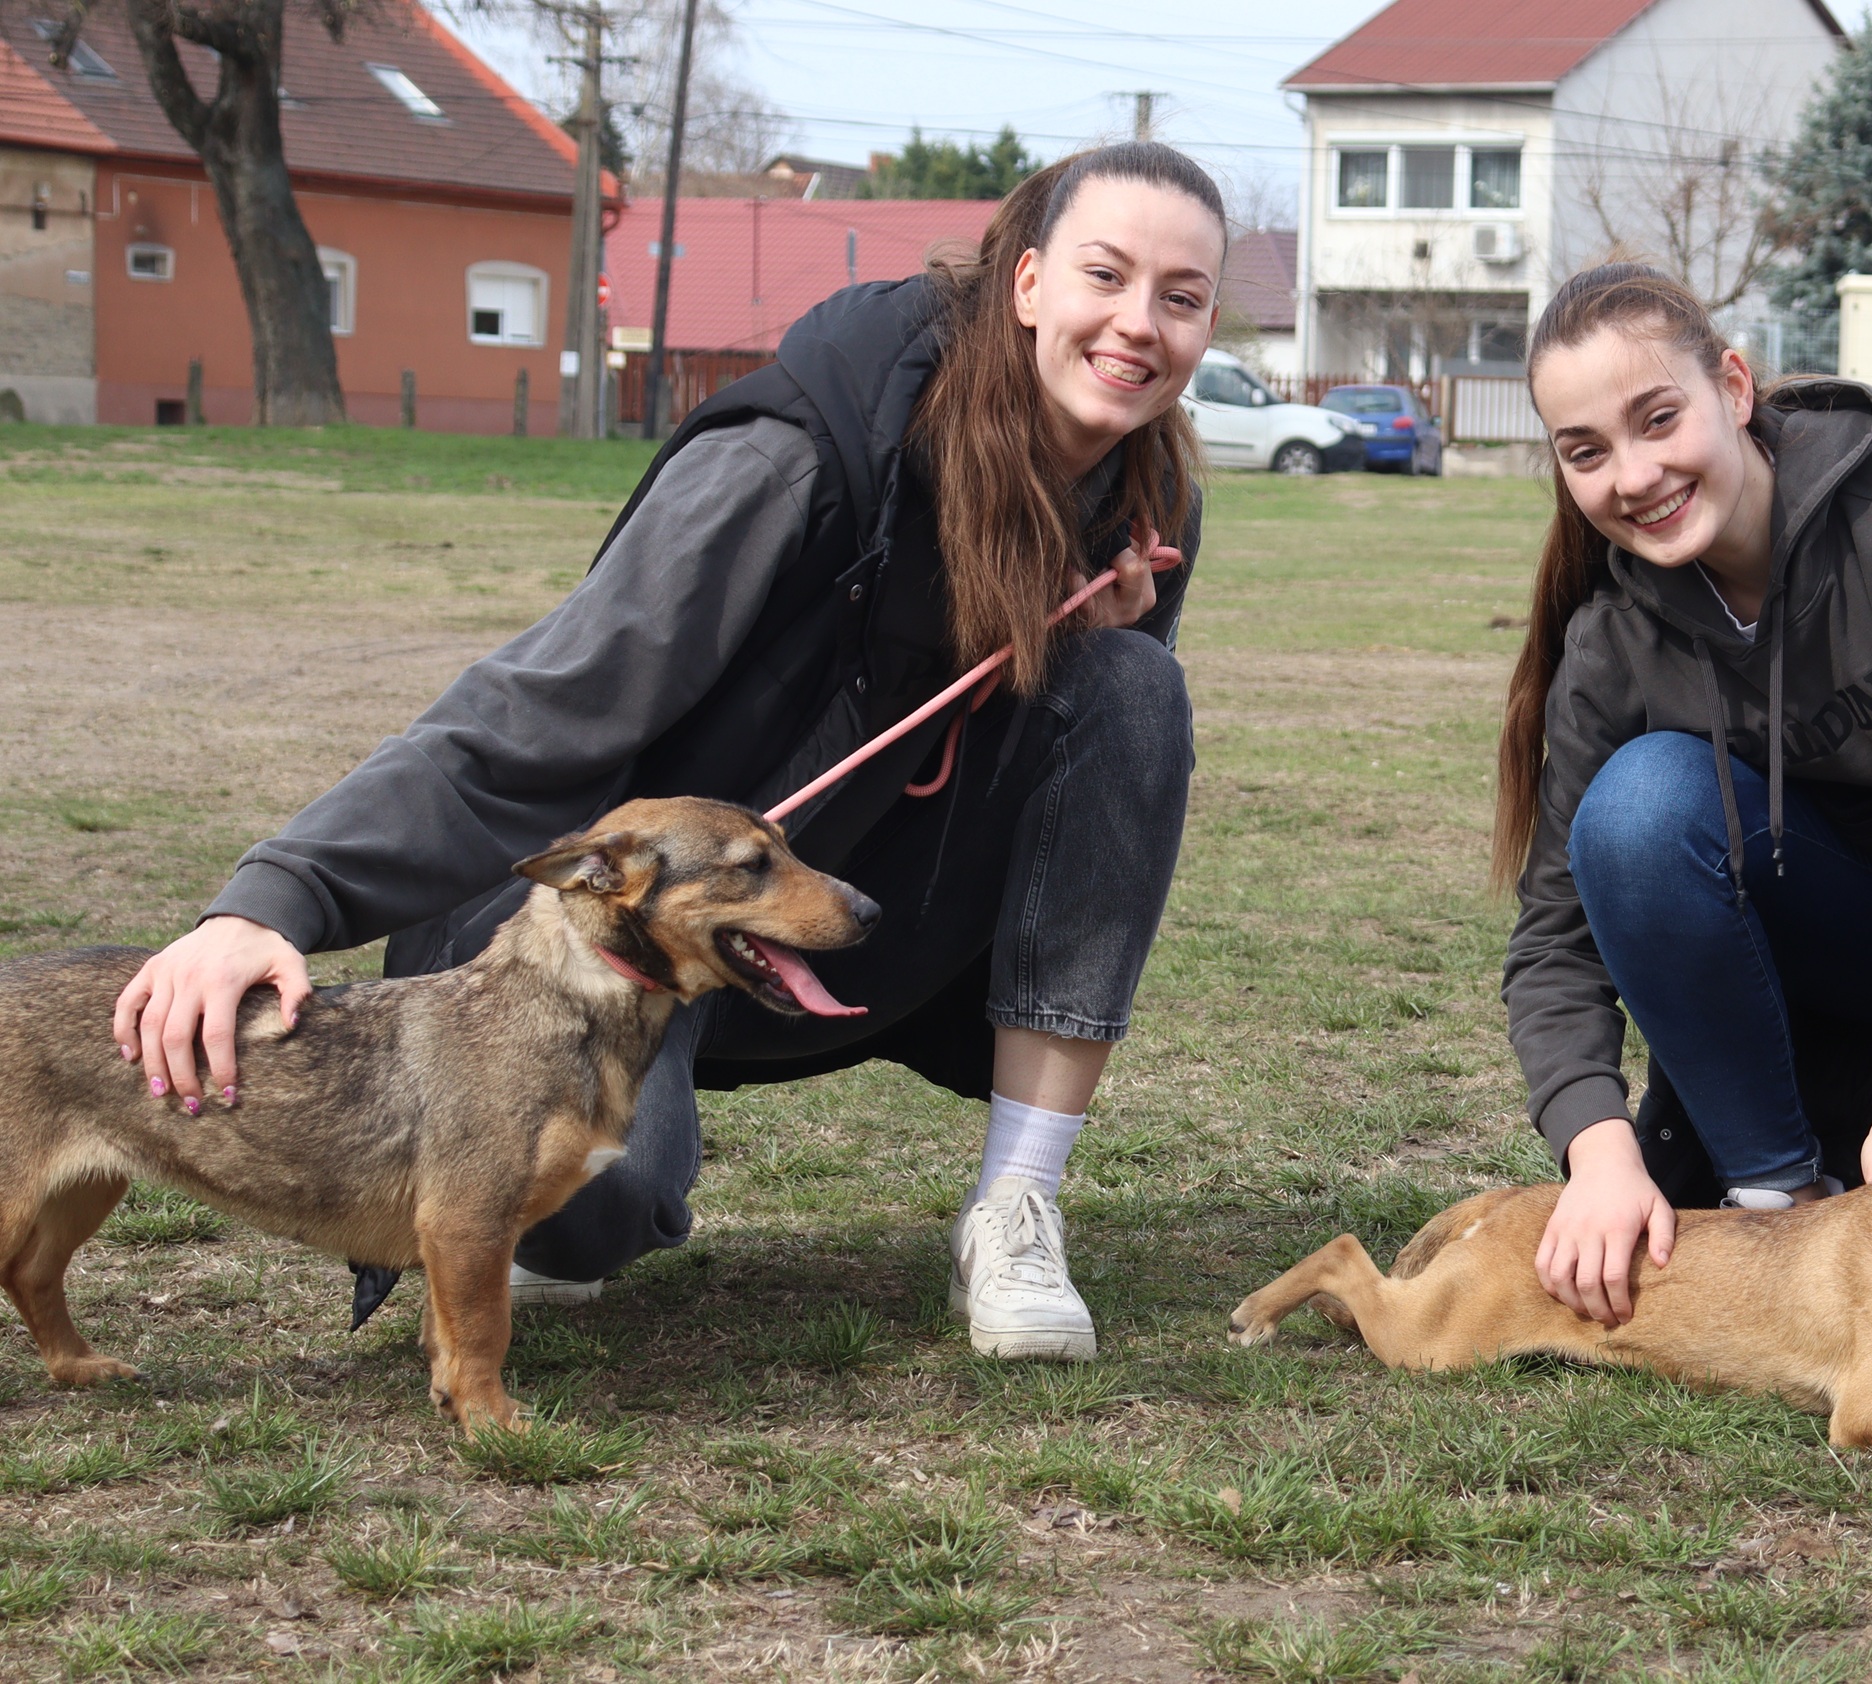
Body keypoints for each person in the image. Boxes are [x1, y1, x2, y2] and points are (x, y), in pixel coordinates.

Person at [107, 143, 1227, 1364]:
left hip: (849, 922)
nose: (1138, 325)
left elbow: (1075, 799)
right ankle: (533, 1205)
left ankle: (1018, 1205)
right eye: (1104, 275)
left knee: (1134, 688)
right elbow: (533, 710)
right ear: (1024, 283)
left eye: (1181, 297)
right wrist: (272, 895)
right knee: (593, 1214)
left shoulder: (1147, 494)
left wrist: (1082, 646)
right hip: (636, 931)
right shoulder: (795, 459)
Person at [1497, 264, 1872, 1327]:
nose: (1634, 474)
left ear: (1737, 388)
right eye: (1586, 451)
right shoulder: (1613, 643)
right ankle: (1779, 1192)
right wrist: (1599, 1154)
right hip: (1832, 963)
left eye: (1658, 418)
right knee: (1640, 808)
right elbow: (1552, 944)